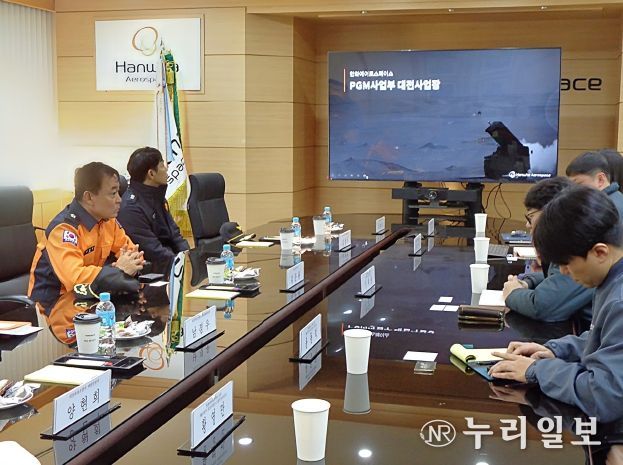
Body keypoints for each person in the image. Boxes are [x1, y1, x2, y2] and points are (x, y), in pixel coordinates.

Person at [489, 186, 623, 423]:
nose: (563, 272)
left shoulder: (619, 299)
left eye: (566, 263)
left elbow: (604, 396)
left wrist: (536, 371)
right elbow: (606, 339)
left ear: (600, 252)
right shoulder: (609, 279)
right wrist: (558, 349)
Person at [29, 162, 145, 314]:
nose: (119, 199)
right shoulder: (64, 230)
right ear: (89, 197)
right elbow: (75, 280)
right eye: (113, 193)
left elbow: (133, 255)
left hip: (91, 301)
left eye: (118, 192)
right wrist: (118, 270)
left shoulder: (107, 221)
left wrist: (128, 266)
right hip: (55, 307)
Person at [502, 177, 593, 324]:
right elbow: (559, 277)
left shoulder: (578, 247)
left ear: (551, 212)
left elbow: (542, 307)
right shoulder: (571, 240)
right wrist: (528, 282)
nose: (527, 224)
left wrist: (513, 293)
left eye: (531, 216)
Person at [117, 147, 189, 273]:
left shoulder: (157, 196)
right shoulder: (131, 208)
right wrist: (181, 264)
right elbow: (153, 250)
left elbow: (175, 235)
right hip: (153, 271)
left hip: (171, 264)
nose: (166, 169)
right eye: (162, 166)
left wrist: (188, 257)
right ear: (151, 174)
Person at [566, 150, 623, 216]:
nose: (573, 190)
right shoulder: (617, 198)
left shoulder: (605, 210)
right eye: (571, 186)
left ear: (600, 180)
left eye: (579, 184)